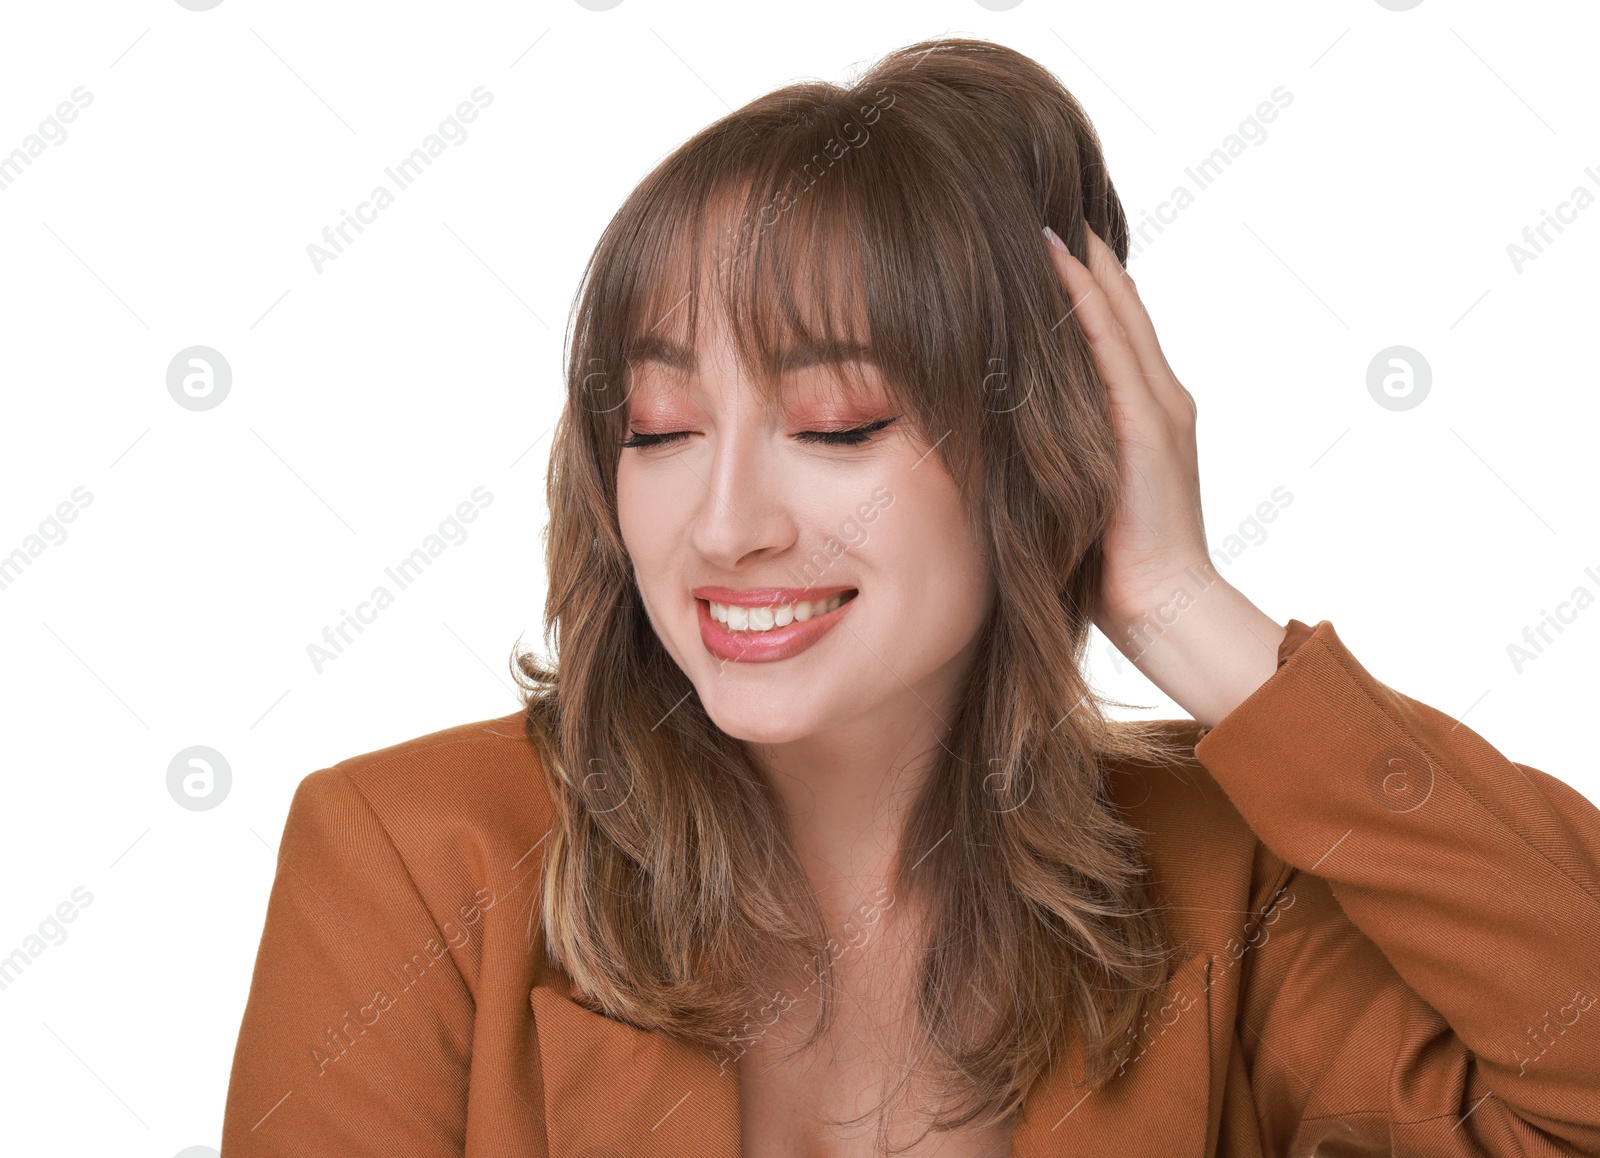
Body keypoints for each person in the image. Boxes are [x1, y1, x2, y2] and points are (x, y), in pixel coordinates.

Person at [220, 36, 1600, 1157]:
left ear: (1041, 451)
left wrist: (1184, 601)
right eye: (658, 424)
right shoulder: (411, 856)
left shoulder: (1229, 877)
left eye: (833, 424)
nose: (724, 525)